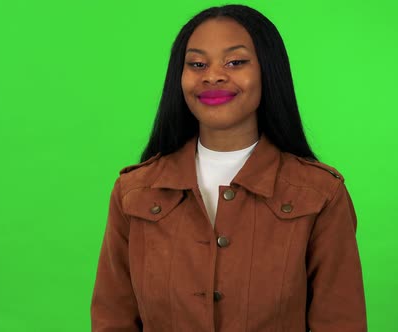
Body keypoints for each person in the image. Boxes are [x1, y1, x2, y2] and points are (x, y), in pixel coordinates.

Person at [90, 4, 366, 332]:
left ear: (268, 71)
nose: (213, 75)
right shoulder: (133, 192)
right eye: (196, 64)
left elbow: (340, 323)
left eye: (236, 62)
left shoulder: (321, 194)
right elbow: (113, 320)